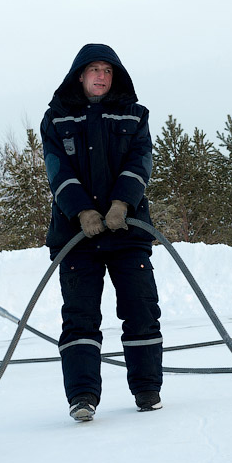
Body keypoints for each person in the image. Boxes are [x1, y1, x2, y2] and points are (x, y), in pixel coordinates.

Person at [41, 43, 164, 422]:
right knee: (79, 318)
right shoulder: (56, 119)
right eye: (93, 69)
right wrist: (82, 210)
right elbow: (56, 170)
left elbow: (140, 160)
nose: (100, 76)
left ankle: (146, 389)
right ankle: (82, 397)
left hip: (126, 231)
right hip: (77, 238)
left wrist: (121, 203)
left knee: (140, 309)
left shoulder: (134, 115)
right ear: (79, 75)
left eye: (107, 70)